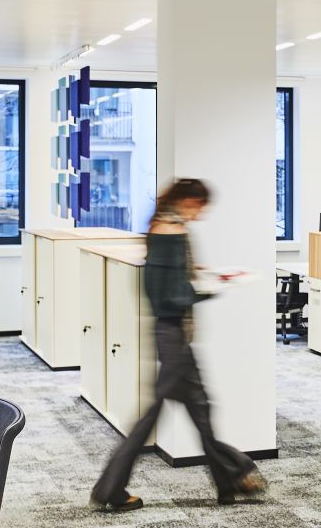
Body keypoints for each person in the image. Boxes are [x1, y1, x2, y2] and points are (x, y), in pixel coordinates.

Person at [90, 177, 267, 511]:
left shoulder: (160, 227)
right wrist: (211, 288)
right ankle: (110, 488)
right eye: (200, 207)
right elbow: (169, 296)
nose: (201, 214)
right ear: (188, 201)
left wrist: (191, 273)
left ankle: (231, 479)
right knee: (152, 417)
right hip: (173, 336)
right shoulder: (173, 233)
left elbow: (161, 281)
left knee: (201, 408)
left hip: (172, 335)